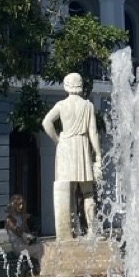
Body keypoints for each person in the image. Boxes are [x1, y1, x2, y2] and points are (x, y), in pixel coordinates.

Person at [42, 73, 102, 240]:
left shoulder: (61, 105)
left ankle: (70, 231)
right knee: (88, 192)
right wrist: (98, 155)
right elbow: (93, 132)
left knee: (68, 191)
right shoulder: (88, 106)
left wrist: (57, 140)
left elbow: (46, 122)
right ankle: (91, 231)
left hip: (66, 147)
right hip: (82, 146)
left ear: (66, 86)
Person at [6, 194, 41, 269]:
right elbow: (17, 232)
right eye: (19, 204)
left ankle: (38, 269)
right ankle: (42, 269)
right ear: (13, 205)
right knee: (40, 249)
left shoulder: (22, 217)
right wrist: (22, 228)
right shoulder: (10, 219)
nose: (21, 207)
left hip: (26, 243)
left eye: (22, 204)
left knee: (42, 244)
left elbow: (27, 232)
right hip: (18, 246)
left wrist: (32, 235)